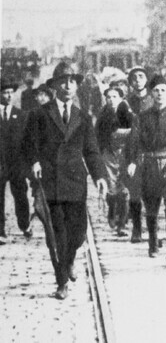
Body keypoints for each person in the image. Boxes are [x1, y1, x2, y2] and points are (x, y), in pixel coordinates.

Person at [27, 62, 108, 300]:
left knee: (78, 233)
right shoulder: (39, 114)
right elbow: (28, 144)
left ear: (76, 86)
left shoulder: (83, 117)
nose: (68, 85)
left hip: (75, 182)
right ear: (53, 86)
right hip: (50, 182)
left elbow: (91, 151)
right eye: (62, 81)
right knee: (57, 235)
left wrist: (100, 177)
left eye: (72, 81)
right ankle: (61, 281)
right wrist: (34, 161)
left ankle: (70, 259)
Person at [125, 75, 166, 269]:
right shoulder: (142, 118)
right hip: (149, 164)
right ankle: (153, 241)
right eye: (156, 90)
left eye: (163, 90)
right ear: (151, 93)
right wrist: (132, 162)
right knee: (152, 209)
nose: (160, 94)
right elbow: (134, 141)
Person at [96, 87, 135, 237]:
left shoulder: (128, 113)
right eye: (108, 97)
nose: (111, 99)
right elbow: (97, 136)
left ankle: (122, 224)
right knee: (111, 188)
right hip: (108, 154)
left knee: (124, 190)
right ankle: (112, 208)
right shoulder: (103, 115)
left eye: (114, 96)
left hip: (125, 154)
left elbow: (135, 133)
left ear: (121, 98)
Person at [125, 66, 153, 243]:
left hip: (151, 150)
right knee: (134, 191)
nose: (138, 80)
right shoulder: (126, 102)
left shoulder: (153, 99)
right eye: (134, 78)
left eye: (141, 76)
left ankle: (152, 231)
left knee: (152, 192)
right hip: (132, 150)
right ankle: (136, 228)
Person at [0, 78, 32, 239]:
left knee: (21, 195)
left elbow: (27, 141)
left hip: (17, 164)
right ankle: (0, 231)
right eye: (5, 93)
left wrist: (28, 163)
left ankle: (25, 225)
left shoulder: (20, 115)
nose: (8, 96)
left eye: (10, 93)